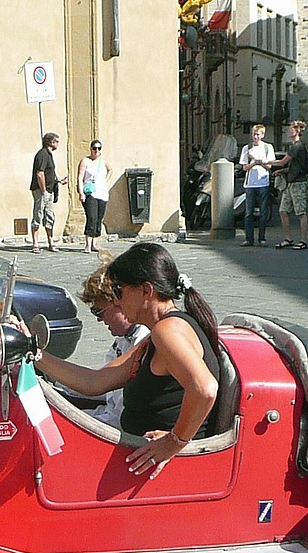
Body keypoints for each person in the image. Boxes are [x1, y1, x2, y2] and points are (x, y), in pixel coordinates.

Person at [33, 243, 220, 479]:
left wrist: (174, 442)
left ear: (146, 291)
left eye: (119, 290)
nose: (118, 301)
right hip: (134, 458)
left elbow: (205, 389)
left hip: (151, 470)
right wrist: (34, 353)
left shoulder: (167, 331)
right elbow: (94, 382)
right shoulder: (158, 332)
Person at [66, 259, 151, 425]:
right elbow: (101, 387)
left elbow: (95, 383)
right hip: (109, 418)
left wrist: (39, 355)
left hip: (122, 431)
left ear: (119, 303)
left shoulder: (146, 340)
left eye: (99, 311)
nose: (98, 319)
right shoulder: (122, 339)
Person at [270, 120, 308, 249]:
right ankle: (288, 238)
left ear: (297, 131)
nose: (288, 131)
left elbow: (283, 161)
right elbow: (293, 167)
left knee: (300, 212)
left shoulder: (297, 146)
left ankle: (303, 241)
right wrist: (281, 171)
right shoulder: (296, 146)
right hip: (291, 182)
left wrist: (265, 161)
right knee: (283, 210)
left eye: (291, 129)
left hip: (298, 183)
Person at [29, 132, 68, 253]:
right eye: (56, 141)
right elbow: (40, 173)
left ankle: (51, 242)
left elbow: (49, 173)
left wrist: (59, 181)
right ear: (51, 142)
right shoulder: (43, 154)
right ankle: (35, 243)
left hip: (49, 191)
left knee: (49, 216)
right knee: (38, 215)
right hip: (41, 191)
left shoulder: (49, 155)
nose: (58, 144)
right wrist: (43, 190)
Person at [238, 123, 275, 246]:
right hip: (250, 184)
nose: (255, 137)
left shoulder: (268, 147)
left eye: (258, 134)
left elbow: (269, 165)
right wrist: (253, 163)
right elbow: (244, 167)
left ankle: (262, 238)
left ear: (262, 135)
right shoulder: (246, 148)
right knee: (248, 212)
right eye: (254, 134)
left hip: (263, 182)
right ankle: (249, 238)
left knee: (263, 211)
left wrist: (260, 162)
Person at [76, 140, 112, 253]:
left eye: (99, 148)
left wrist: (105, 180)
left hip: (102, 193)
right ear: (90, 149)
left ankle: (95, 243)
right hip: (90, 193)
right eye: (94, 148)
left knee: (99, 218)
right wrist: (81, 192)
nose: (97, 150)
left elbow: (110, 170)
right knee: (91, 217)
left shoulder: (103, 161)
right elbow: (80, 177)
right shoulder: (85, 161)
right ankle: (88, 244)